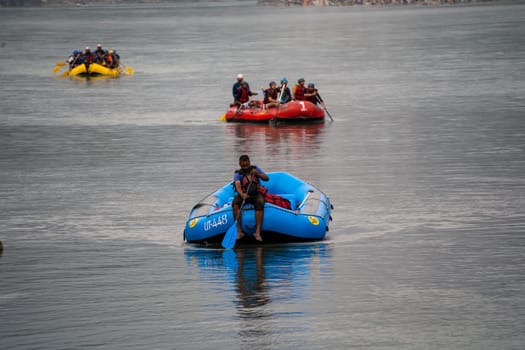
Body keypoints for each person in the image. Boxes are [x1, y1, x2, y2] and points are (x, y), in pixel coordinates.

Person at [232, 155, 269, 242]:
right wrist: (242, 194)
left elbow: (266, 178)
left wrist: (258, 174)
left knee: (260, 202)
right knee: (235, 205)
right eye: (243, 165)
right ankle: (239, 232)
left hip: (256, 194)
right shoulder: (238, 173)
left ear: (249, 162)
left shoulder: (255, 169)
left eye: (246, 165)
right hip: (244, 195)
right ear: (240, 164)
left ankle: (257, 232)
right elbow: (237, 185)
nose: (245, 167)